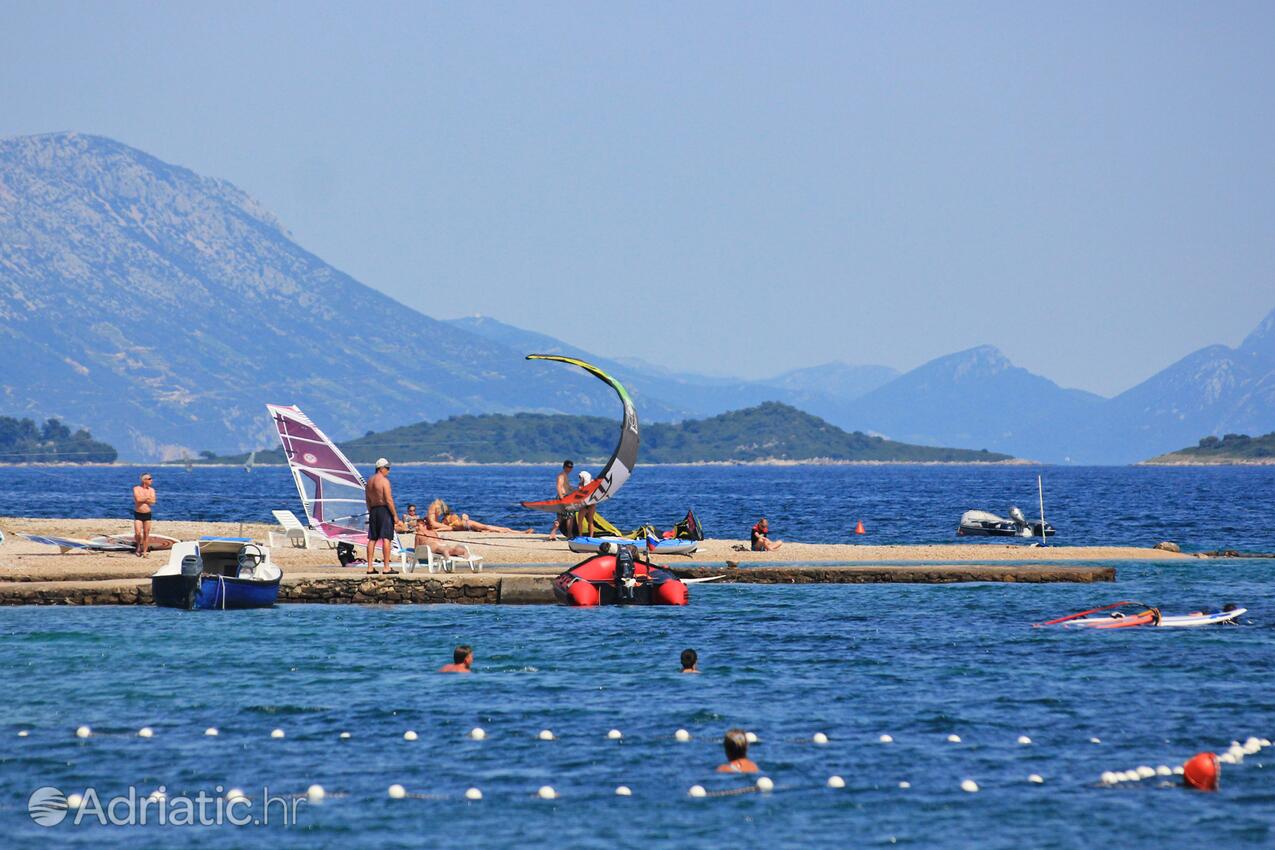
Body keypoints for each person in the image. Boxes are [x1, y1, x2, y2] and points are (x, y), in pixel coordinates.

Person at [365, 458, 399, 575]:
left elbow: (368, 500)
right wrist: (395, 515)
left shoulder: (369, 481)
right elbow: (389, 500)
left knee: (372, 539)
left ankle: (369, 567)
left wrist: (371, 512)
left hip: (373, 510)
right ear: (381, 468)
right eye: (387, 468)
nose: (388, 471)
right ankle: (386, 568)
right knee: (386, 538)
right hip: (384, 510)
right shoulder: (384, 481)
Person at [131, 473, 157, 557]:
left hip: (147, 514)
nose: (151, 480)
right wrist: (147, 498)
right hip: (138, 514)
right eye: (149, 479)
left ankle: (144, 551)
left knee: (146, 533)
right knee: (138, 532)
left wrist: (144, 499)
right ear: (144, 480)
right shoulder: (136, 488)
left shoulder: (152, 490)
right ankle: (138, 546)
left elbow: (153, 501)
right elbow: (138, 499)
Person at [575, 470, 597, 536]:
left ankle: (586, 536)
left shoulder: (582, 485)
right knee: (586, 521)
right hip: (588, 504)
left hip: (587, 505)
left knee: (586, 521)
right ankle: (585, 536)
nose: (579, 479)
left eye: (580, 477)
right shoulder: (591, 484)